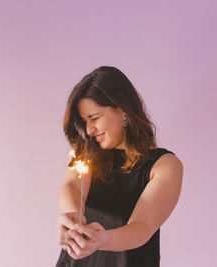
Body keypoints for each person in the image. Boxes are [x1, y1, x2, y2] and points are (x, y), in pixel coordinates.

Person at [56, 66, 183, 267]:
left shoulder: (165, 166)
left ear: (122, 109)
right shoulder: (87, 155)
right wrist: (73, 216)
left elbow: (142, 227)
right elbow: (71, 186)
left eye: (94, 118)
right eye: (84, 121)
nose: (89, 130)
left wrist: (104, 239)